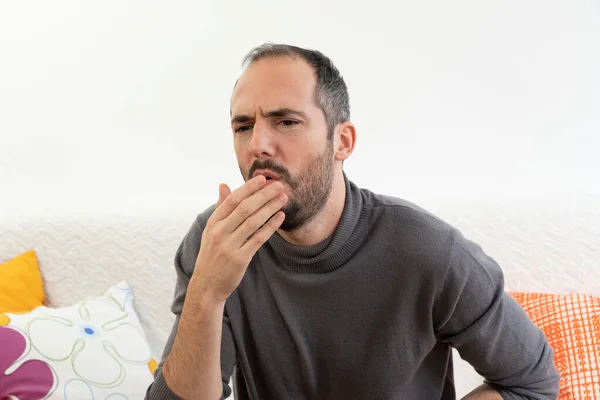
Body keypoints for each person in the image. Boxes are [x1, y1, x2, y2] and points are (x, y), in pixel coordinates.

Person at [145, 43, 560, 400]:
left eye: (286, 121)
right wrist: (207, 293)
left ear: (342, 141)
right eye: (243, 125)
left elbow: (531, 382)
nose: (258, 145)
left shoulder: (429, 251)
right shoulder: (215, 241)